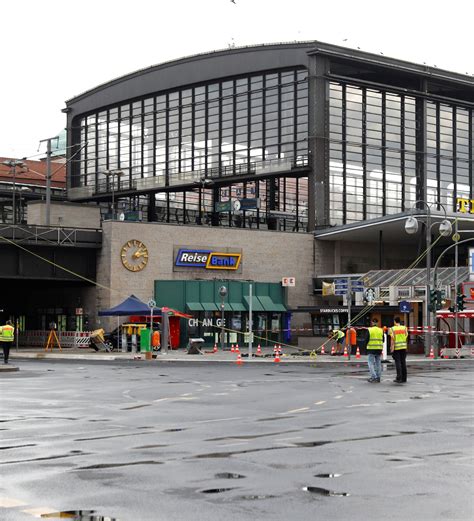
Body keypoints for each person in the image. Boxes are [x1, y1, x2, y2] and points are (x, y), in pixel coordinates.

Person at [390, 317, 408, 383]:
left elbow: (392, 340)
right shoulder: (404, 328)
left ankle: (399, 378)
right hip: (403, 347)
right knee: (403, 362)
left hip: (396, 347)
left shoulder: (392, 329)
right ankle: (404, 378)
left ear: (395, 321)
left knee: (398, 363)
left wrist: (392, 349)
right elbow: (406, 337)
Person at [366, 318, 384, 382]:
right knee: (378, 363)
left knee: (370, 363)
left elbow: (366, 339)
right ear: (378, 323)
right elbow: (383, 340)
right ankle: (378, 377)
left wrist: (366, 347)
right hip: (379, 349)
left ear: (372, 323)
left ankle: (373, 377)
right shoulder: (381, 330)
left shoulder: (369, 330)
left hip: (371, 349)